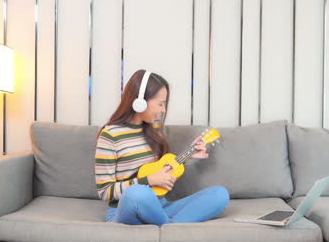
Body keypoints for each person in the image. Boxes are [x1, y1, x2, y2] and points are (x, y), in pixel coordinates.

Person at [94, 69, 229, 226]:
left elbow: (159, 169)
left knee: (219, 194)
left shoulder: (154, 129)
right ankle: (171, 227)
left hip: (160, 207)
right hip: (129, 207)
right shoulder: (110, 135)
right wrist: (149, 180)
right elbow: (105, 192)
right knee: (137, 193)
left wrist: (189, 155)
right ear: (140, 102)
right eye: (160, 104)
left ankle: (168, 226)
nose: (163, 110)